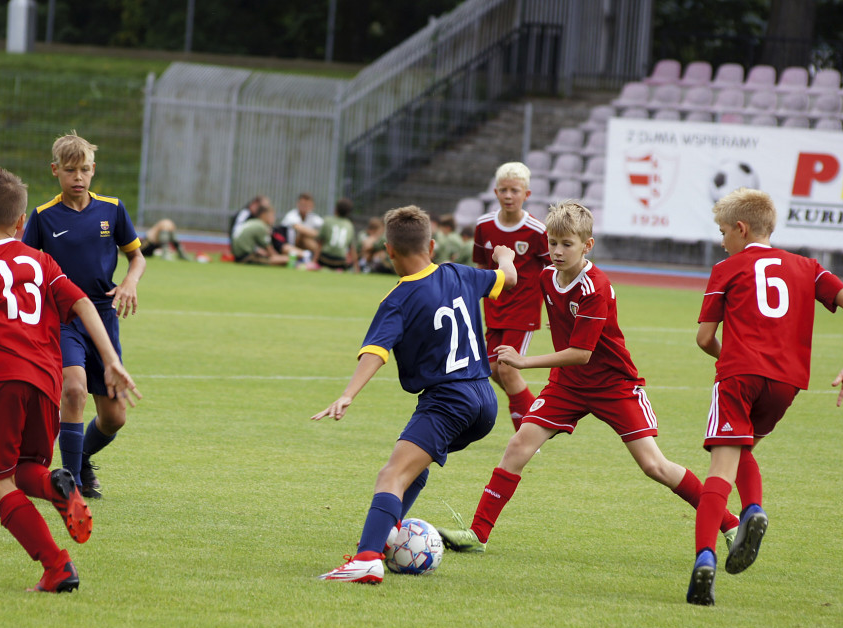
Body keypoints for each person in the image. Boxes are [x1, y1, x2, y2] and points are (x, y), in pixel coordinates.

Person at [437, 201, 740, 559]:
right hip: (568, 385)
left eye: (567, 243)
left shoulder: (595, 287)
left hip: (614, 385)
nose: (557, 251)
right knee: (518, 446)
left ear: (587, 245)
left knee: (654, 466)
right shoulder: (548, 277)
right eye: (552, 243)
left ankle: (729, 523)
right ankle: (478, 533)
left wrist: (523, 361)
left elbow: (583, 353)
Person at [0, 168, 141, 592]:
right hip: (44, 380)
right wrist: (111, 359)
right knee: (24, 470)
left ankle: (57, 566)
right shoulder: (41, 261)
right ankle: (59, 486)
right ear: (22, 223)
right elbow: (82, 305)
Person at [312, 205, 517, 583]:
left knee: (391, 474)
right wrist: (505, 256)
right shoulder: (461, 274)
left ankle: (367, 559)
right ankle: (389, 533)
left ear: (388, 251)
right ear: (433, 244)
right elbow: (509, 278)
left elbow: (376, 350)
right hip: (483, 401)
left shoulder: (399, 298)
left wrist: (348, 394)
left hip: (447, 401)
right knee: (412, 467)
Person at [686, 188, 843, 606]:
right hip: (786, 384)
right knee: (743, 446)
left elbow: (704, 338)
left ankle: (706, 557)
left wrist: (731, 357)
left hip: (739, 376)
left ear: (741, 229)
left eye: (723, 231)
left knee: (720, 464)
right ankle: (752, 511)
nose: (722, 240)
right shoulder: (808, 267)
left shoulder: (727, 267)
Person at [22, 131, 146, 500]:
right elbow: (26, 265)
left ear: (94, 170)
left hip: (103, 319)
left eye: (85, 170)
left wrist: (129, 282)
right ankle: (70, 485)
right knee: (73, 390)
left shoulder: (112, 209)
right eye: (71, 170)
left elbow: (136, 256)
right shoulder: (43, 217)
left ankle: (81, 458)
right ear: (55, 171)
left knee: (114, 418)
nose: (78, 177)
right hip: (62, 319)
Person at [474, 162, 552, 431]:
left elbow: (552, 270)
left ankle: (528, 434)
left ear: (526, 194)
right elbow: (481, 268)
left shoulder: (536, 230)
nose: (509, 195)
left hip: (524, 308)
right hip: (493, 308)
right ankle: (536, 415)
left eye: (515, 191)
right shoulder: (483, 225)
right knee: (494, 370)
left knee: (507, 369)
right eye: (504, 190)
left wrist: (557, 309)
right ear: (495, 192)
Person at [315, 198, 357, 271]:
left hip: (324, 259)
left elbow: (320, 243)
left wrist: (314, 261)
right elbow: (352, 248)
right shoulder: (349, 225)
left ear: (336, 209)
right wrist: (357, 267)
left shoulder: (327, 220)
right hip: (340, 261)